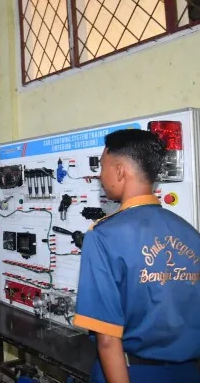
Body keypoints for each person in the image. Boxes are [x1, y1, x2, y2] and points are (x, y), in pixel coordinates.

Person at [73, 129, 200, 383]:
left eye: (102, 166)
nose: (100, 175)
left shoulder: (103, 236)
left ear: (120, 171)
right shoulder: (190, 233)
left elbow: (107, 340)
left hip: (129, 372)